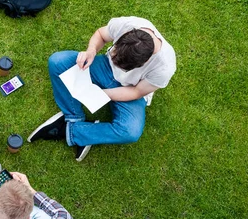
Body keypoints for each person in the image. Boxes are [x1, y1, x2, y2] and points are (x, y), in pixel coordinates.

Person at [28, 16, 176, 161]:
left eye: (122, 66)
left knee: (130, 131)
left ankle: (69, 130)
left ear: (143, 63)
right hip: (104, 68)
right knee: (57, 62)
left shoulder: (164, 67)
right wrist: (91, 51)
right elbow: (101, 34)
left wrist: (101, 94)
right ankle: (74, 117)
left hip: (131, 87)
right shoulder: (128, 24)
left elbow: (136, 92)